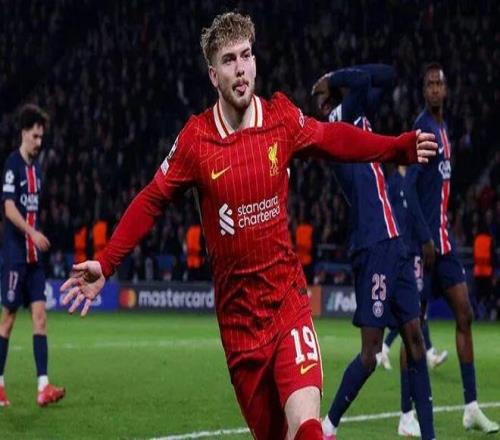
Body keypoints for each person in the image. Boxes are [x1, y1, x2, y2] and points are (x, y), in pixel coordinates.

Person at [60, 13, 436, 440]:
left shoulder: (281, 118)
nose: (240, 69)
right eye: (229, 60)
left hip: (287, 303)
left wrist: (396, 148)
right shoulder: (196, 141)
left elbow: (334, 138)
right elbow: (152, 199)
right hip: (239, 326)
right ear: (213, 75)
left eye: (246, 55)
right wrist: (107, 262)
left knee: (307, 426)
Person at [312, 65, 435, 440]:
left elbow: (388, 75)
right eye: (318, 97)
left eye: (321, 94)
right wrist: (333, 79)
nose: (318, 101)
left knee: (415, 338)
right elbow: (365, 80)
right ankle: (328, 426)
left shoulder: (358, 115)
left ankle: (429, 435)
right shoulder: (336, 123)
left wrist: (335, 79)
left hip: (394, 241)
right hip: (372, 244)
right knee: (370, 354)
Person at [407, 62, 498, 433]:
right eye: (429, 84)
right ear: (423, 90)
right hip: (425, 246)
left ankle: (471, 407)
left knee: (465, 313)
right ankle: (407, 414)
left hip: (443, 243)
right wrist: (424, 237)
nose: (434, 89)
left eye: (438, 84)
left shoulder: (444, 129)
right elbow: (408, 188)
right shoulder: (424, 129)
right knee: (413, 328)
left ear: (446, 90)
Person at [0, 104, 65, 407]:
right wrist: (32, 233)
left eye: (42, 137)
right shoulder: (12, 165)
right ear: (24, 133)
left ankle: (43, 386)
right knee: (8, 320)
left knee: (40, 318)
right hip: (15, 256)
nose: (39, 142)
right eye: (35, 136)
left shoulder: (37, 170)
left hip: (34, 259)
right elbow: (9, 208)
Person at [377, 165, 448, 373]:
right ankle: (423, 353)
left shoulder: (415, 180)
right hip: (402, 250)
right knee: (412, 307)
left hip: (416, 249)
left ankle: (392, 348)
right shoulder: (393, 183)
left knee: (417, 306)